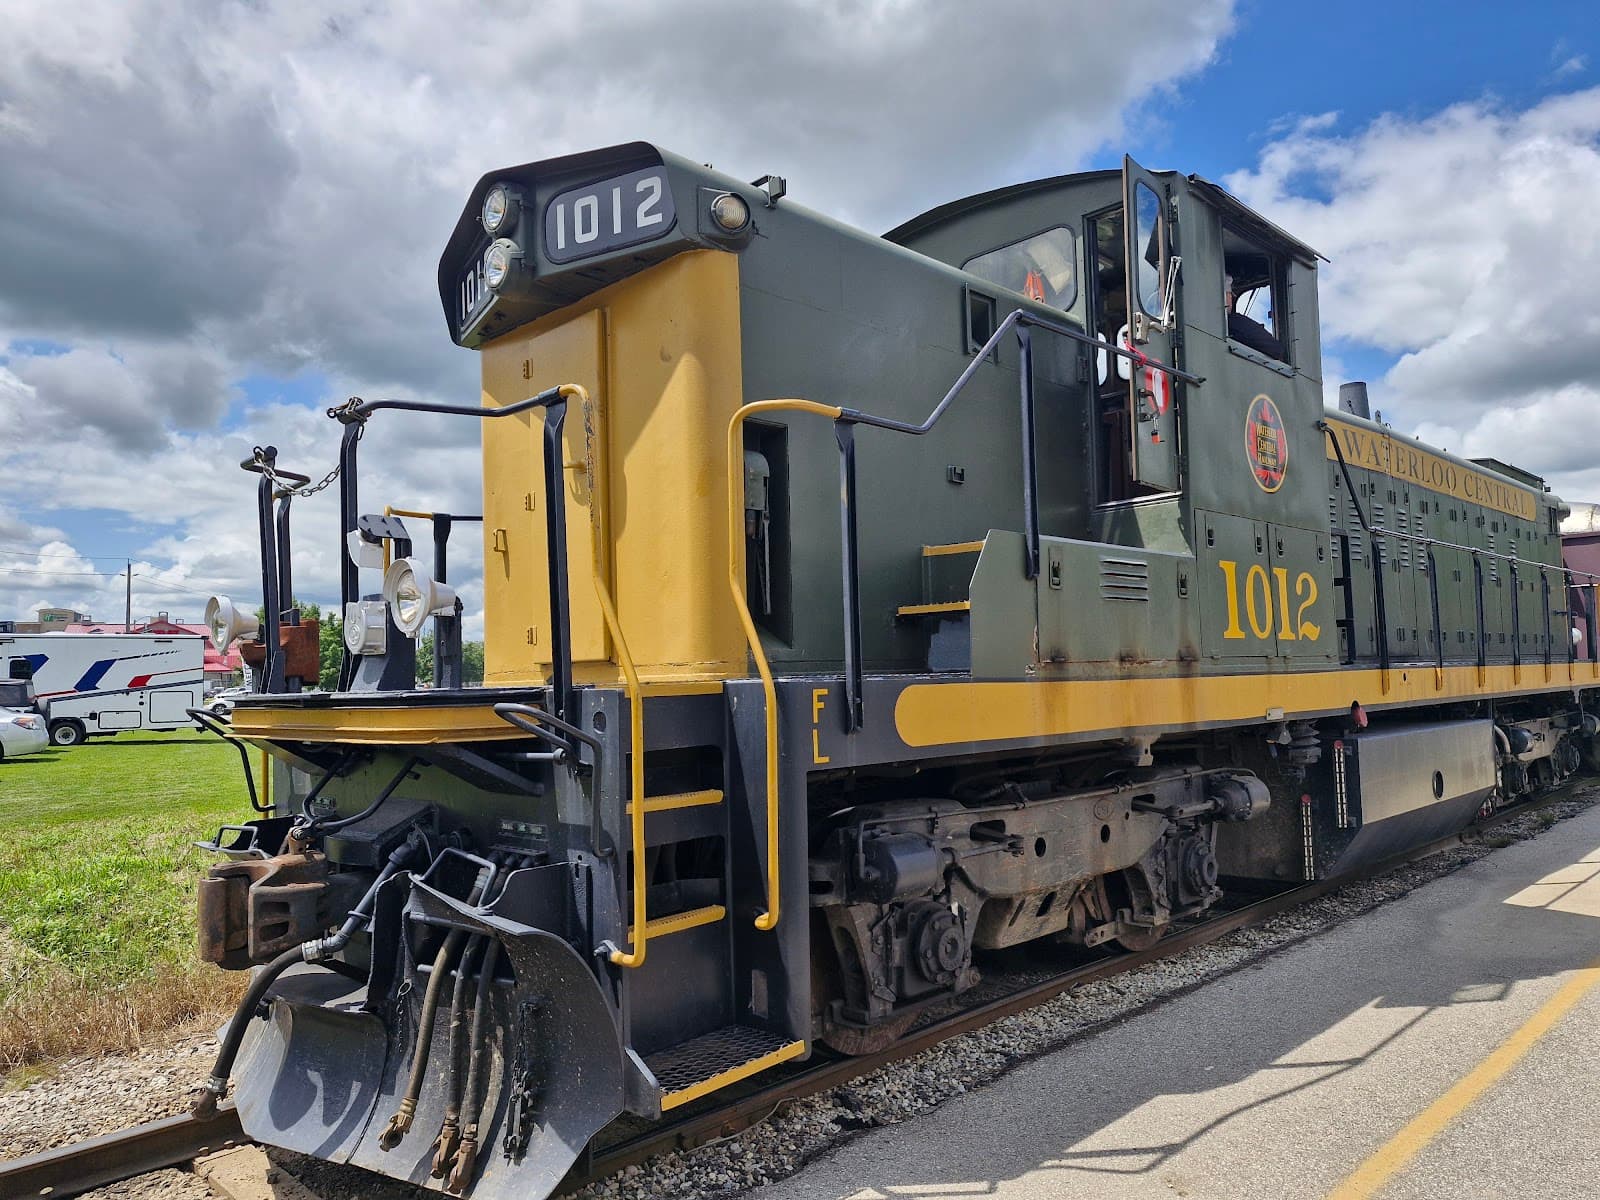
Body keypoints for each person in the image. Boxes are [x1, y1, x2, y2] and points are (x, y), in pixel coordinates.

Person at [1225, 275, 1286, 361]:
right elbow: (1276, 349)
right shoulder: (1234, 322)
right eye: (1230, 294)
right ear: (1223, 296)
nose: (1232, 297)